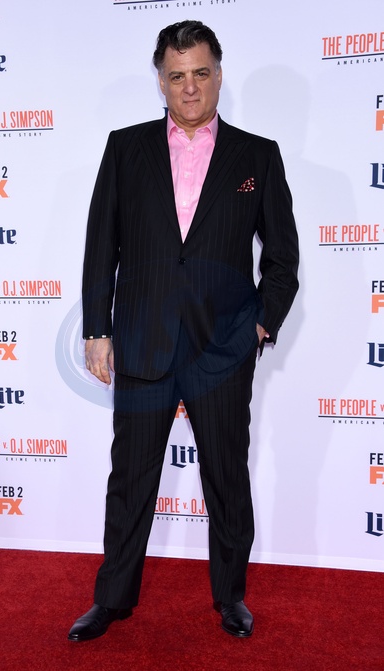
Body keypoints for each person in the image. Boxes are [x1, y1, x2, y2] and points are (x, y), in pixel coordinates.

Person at [68, 20, 299, 642]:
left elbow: (283, 260)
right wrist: (97, 329)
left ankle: (231, 597)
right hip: (143, 341)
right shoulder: (126, 148)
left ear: (219, 75)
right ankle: (112, 600)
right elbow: (101, 245)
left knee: (226, 478)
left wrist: (258, 326)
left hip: (223, 349)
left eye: (200, 73)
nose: (189, 87)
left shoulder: (258, 155)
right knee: (130, 479)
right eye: (177, 76)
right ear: (161, 81)